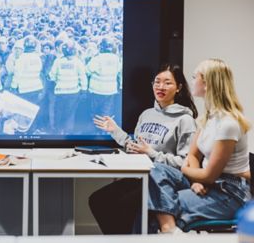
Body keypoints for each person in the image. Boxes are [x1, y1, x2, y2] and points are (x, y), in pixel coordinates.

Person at [89, 63, 198, 234]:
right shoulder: (146, 114)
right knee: (98, 200)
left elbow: (185, 163)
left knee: (122, 205)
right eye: (157, 82)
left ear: (179, 88)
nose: (160, 87)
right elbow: (136, 147)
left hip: (164, 183)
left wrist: (151, 153)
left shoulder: (185, 120)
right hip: (141, 178)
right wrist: (115, 131)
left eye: (167, 82)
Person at [149, 58, 251, 233]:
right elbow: (193, 156)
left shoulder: (228, 124)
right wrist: (196, 180)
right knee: (156, 168)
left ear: (207, 83)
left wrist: (188, 171)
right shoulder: (207, 118)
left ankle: (168, 229)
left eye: (195, 76)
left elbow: (209, 176)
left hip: (229, 193)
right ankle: (170, 229)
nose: (192, 80)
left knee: (155, 207)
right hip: (211, 184)